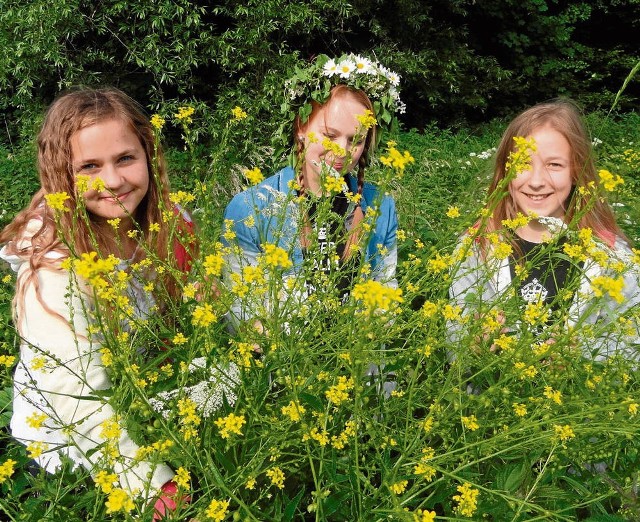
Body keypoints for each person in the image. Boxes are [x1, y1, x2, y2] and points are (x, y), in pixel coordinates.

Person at [0, 88, 194, 518]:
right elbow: (74, 393)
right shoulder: (53, 261)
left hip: (142, 416)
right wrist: (156, 486)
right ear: (61, 175)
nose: (113, 181)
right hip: (68, 455)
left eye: (126, 158)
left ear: (148, 155)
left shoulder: (169, 222)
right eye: (89, 166)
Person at [449, 99, 640, 362]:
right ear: (505, 170)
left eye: (554, 165)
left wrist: (579, 359)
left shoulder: (613, 258)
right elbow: (454, 346)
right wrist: (474, 344)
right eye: (523, 163)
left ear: (577, 172)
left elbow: (632, 350)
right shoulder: (476, 248)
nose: (537, 181)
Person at [221, 53, 403, 331]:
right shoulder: (249, 209)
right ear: (301, 128)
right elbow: (240, 314)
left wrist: (371, 323)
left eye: (356, 140)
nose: (342, 151)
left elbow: (387, 295)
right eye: (330, 136)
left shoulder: (381, 207)